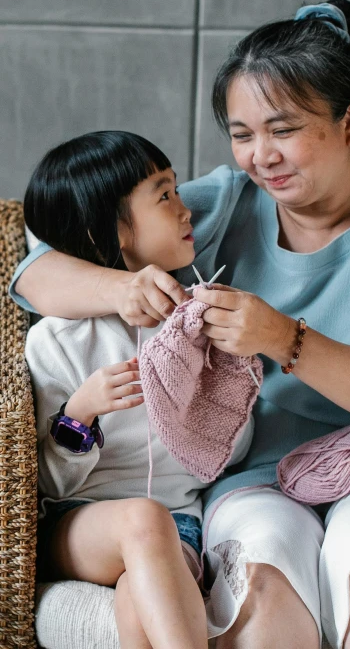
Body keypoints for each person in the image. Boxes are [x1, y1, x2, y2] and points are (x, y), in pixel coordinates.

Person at [12, 0, 350, 649]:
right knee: (261, 590)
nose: (260, 158)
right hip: (253, 479)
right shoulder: (230, 201)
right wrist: (126, 287)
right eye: (241, 134)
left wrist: (283, 339)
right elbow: (39, 268)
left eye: (282, 129)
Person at [21, 131, 252, 649]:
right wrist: (80, 414)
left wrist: (214, 392)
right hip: (77, 525)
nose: (187, 208)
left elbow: (224, 456)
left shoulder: (197, 323)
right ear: (108, 229)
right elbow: (50, 485)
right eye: (165, 195)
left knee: (137, 601)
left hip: (180, 532)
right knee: (142, 520)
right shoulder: (56, 339)